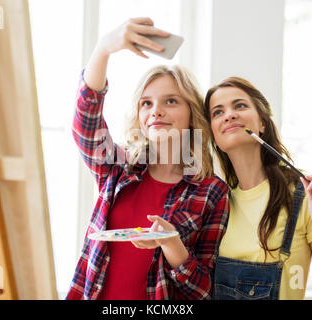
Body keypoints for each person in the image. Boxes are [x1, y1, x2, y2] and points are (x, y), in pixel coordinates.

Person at [66, 17, 230, 300]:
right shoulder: (117, 167)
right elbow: (85, 125)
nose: (156, 111)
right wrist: (103, 48)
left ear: (192, 114)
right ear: (140, 116)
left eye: (171, 101)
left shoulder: (211, 191)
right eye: (147, 103)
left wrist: (173, 245)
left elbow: (204, 291)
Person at [204, 76, 312, 300]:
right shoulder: (215, 201)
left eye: (240, 105)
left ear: (262, 123)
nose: (229, 115)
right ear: (213, 134)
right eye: (217, 112)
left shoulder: (304, 196)